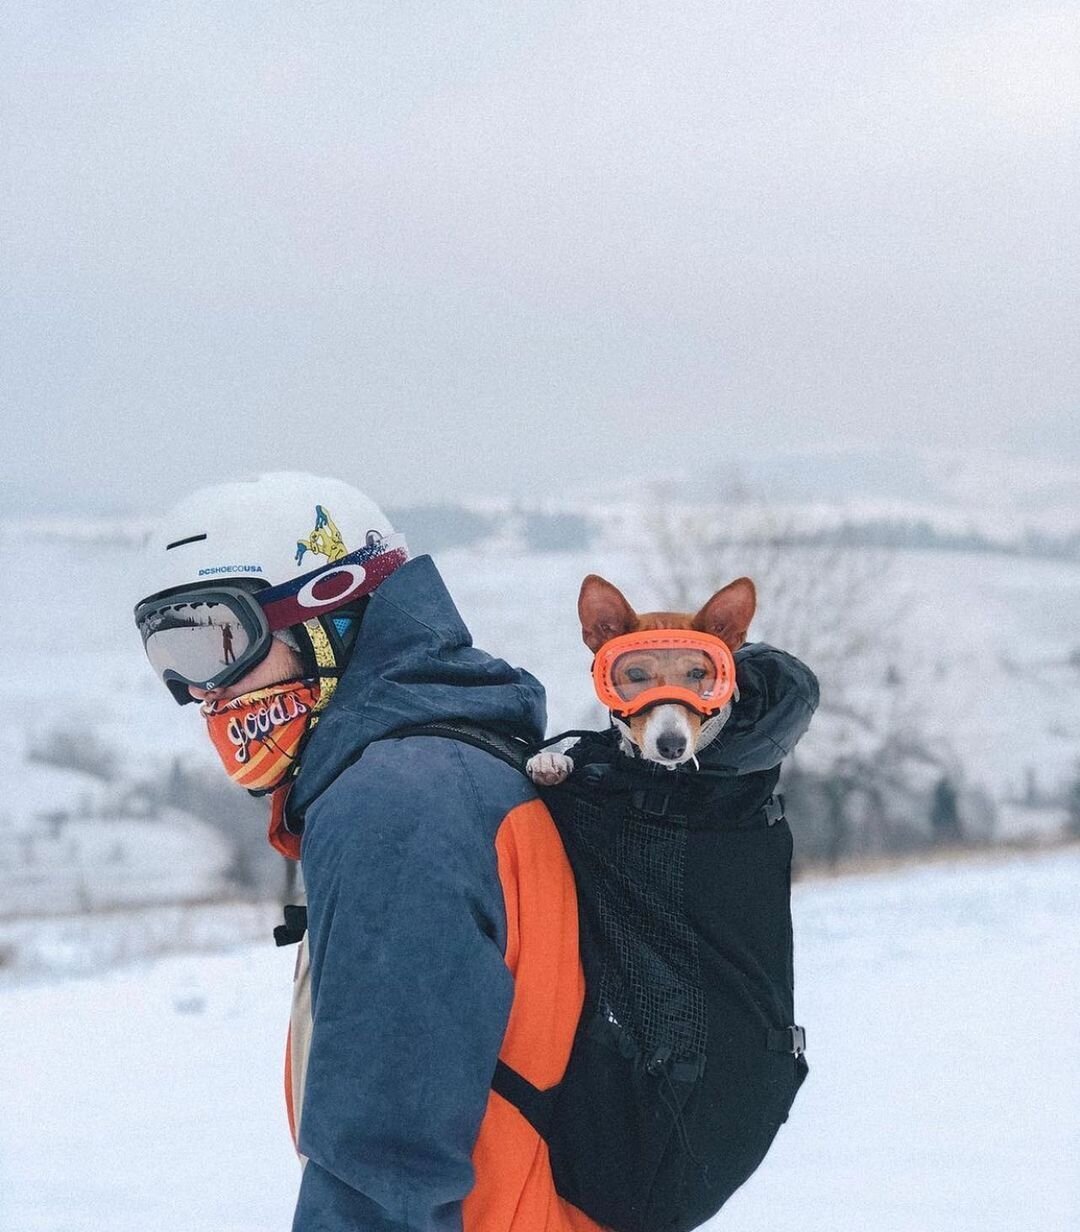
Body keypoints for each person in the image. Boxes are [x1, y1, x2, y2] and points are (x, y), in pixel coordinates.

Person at [134, 473, 603, 1232]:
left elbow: (383, 1172)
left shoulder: (398, 803)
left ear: (328, 616)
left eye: (216, 639)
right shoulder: (450, 761)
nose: (200, 691)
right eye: (169, 657)